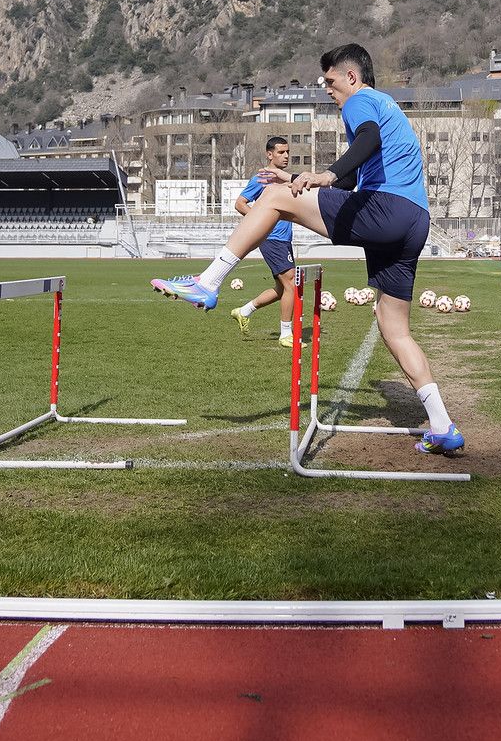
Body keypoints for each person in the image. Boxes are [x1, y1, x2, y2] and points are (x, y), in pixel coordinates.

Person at [151, 43, 464, 457]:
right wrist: (302, 176)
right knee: (394, 328)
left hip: (387, 210)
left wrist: (322, 173)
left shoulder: (361, 101)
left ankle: (209, 281)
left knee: (275, 197)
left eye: (331, 83)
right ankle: (442, 424)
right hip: (414, 221)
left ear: (351, 77)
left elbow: (364, 143)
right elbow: (353, 183)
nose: (329, 92)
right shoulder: (388, 107)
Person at [231, 135, 300, 348]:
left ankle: (244, 311)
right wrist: (261, 223)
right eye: (281, 152)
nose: (286, 156)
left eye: (288, 152)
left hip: (284, 239)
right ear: (269, 154)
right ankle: (286, 334)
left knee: (282, 289)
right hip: (272, 239)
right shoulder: (262, 178)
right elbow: (240, 203)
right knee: (291, 284)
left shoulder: (286, 179)